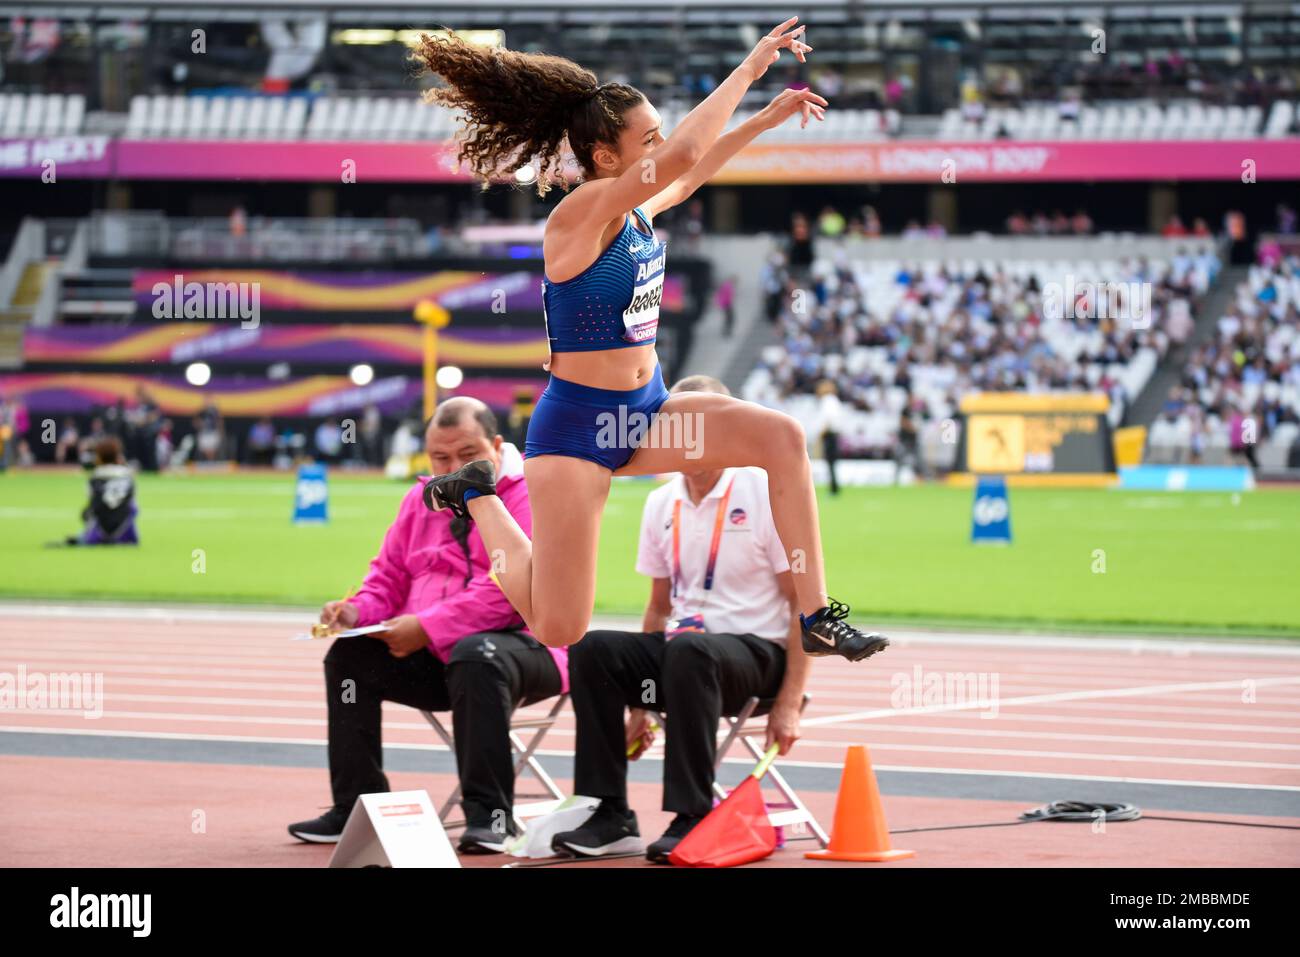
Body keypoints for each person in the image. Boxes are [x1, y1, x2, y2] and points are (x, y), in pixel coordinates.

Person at [413, 17, 889, 665]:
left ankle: (814, 615)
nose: (663, 146)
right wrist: (750, 70)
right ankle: (477, 494)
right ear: (607, 158)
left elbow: (687, 177)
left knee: (783, 438)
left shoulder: (636, 211)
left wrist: (761, 122)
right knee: (559, 627)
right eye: (650, 138)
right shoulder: (577, 216)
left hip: (645, 417)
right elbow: (685, 158)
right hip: (579, 429)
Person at [287, 397, 567, 854]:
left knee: (477, 654)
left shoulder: (530, 493)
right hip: (443, 657)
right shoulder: (419, 499)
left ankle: (489, 817)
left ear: (497, 446)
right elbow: (389, 576)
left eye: (468, 455)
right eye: (440, 457)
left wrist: (426, 626)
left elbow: (506, 593)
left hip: (528, 650)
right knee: (350, 655)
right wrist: (356, 612)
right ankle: (356, 806)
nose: (453, 467)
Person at [553, 375, 810, 861]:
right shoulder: (660, 501)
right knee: (592, 648)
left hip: (755, 655)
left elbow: (801, 604)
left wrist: (790, 701)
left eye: (711, 425)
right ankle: (609, 811)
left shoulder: (762, 489)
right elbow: (658, 607)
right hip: (683, 654)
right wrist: (642, 705)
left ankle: (692, 812)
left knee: (690, 650)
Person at [57, 436, 139, 546]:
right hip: (126, 534)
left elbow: (91, 510)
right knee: (132, 506)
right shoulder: (128, 477)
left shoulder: (95, 479)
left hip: (99, 534)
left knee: (90, 511)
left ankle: (89, 536)